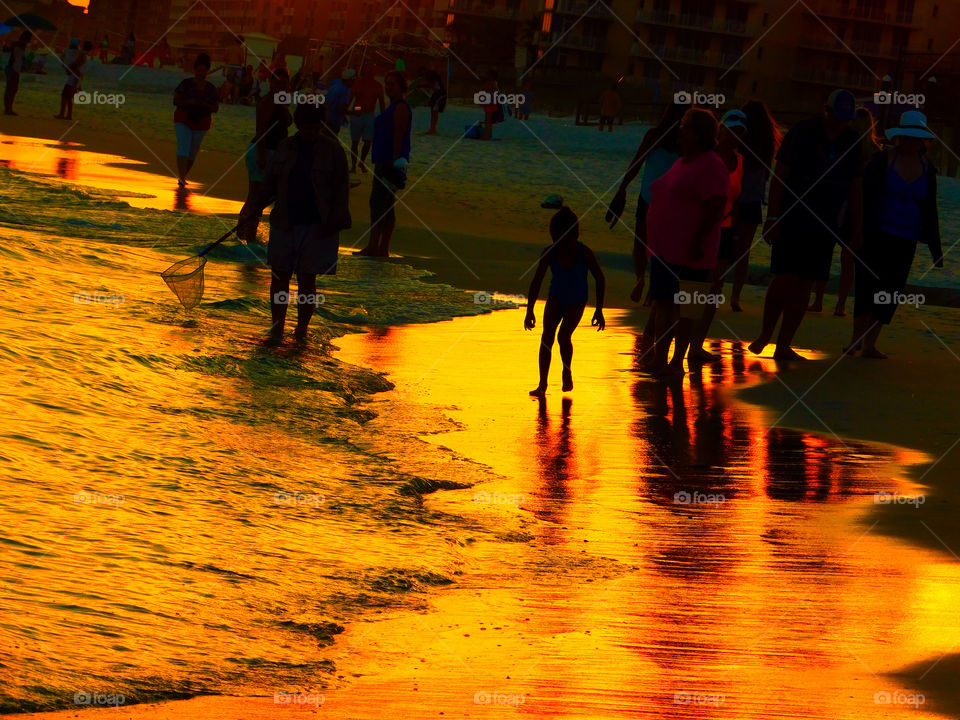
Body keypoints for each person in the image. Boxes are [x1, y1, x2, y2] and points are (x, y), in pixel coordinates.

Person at [749, 89, 862, 360]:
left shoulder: (851, 141)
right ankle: (766, 333)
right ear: (827, 110)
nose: (841, 123)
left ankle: (784, 344)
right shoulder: (803, 132)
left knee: (806, 283)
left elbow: (856, 187)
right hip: (792, 216)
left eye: (846, 119)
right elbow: (780, 176)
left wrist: (857, 228)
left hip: (826, 222)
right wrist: (772, 217)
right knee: (785, 278)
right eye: (837, 117)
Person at [240, 103, 351, 345]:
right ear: (298, 126)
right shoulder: (285, 147)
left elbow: (342, 190)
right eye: (307, 127)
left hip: (318, 225)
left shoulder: (333, 151)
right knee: (279, 276)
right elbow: (269, 182)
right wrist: (254, 208)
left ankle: (301, 329)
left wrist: (336, 222)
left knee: (307, 279)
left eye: (316, 127)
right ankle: (277, 328)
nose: (312, 132)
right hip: (284, 221)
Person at [845, 111, 942, 358]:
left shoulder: (927, 169)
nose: (910, 142)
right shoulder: (882, 160)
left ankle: (870, 344)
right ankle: (856, 339)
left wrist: (936, 248)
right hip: (875, 233)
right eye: (907, 137)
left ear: (922, 141)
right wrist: (853, 230)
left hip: (906, 237)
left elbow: (930, 208)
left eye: (915, 138)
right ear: (899, 137)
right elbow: (861, 195)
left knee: (890, 291)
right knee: (867, 286)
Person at [645, 108, 729, 377]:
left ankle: (676, 361)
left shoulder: (712, 165)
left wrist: (697, 241)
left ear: (699, 134)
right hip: (664, 250)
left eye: (686, 126)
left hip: (691, 252)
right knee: (665, 304)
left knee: (686, 308)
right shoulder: (683, 161)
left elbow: (716, 208)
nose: (680, 130)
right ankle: (661, 356)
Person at [606, 101, 685, 367]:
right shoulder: (686, 141)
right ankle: (651, 287)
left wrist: (622, 188)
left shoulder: (654, 135)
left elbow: (637, 162)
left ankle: (641, 279)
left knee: (640, 243)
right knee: (662, 250)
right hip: (672, 204)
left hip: (648, 197)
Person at [525, 205, 606, 396]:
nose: (558, 242)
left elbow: (600, 278)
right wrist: (530, 310)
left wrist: (599, 309)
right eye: (555, 238)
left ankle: (566, 371)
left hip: (577, 300)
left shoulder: (584, 253)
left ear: (574, 235)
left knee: (563, 336)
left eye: (563, 238)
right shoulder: (549, 252)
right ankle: (542, 384)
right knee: (546, 338)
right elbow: (536, 282)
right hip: (556, 296)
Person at [812, 106, 882, 316]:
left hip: (838, 204)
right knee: (847, 259)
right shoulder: (874, 152)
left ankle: (819, 300)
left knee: (825, 254)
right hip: (858, 208)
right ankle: (840, 304)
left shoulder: (845, 146)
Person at [689, 110, 747, 362]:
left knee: (714, 288)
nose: (735, 135)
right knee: (694, 285)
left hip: (724, 230)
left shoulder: (741, 161)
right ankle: (680, 341)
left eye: (740, 131)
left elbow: (737, 199)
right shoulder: (706, 158)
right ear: (721, 129)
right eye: (732, 129)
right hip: (701, 226)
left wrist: (734, 235)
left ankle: (696, 345)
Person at [730, 99, 782, 311]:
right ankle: (735, 297)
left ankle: (713, 293)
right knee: (743, 252)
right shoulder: (767, 143)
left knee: (723, 250)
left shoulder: (738, 141)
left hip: (733, 199)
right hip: (752, 201)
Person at [358, 71, 411, 257]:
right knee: (386, 204)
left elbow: (398, 135)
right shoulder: (393, 106)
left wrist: (394, 163)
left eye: (392, 84)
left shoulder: (401, 108)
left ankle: (375, 246)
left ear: (401, 87)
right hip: (384, 160)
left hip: (390, 162)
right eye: (387, 83)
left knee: (378, 202)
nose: (388, 87)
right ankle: (381, 248)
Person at [238, 68, 292, 242]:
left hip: (272, 153)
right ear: (270, 83)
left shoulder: (280, 100)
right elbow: (261, 129)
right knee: (256, 196)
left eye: (283, 82)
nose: (279, 85)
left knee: (257, 196)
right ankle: (249, 236)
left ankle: (243, 234)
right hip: (262, 151)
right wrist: (262, 155)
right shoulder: (268, 101)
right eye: (276, 82)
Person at [173, 53, 219, 188]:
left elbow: (215, 108)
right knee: (183, 147)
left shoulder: (211, 88)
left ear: (207, 72)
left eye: (204, 71)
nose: (201, 74)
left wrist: (203, 105)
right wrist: (190, 102)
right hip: (183, 118)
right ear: (194, 70)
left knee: (192, 152)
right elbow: (175, 100)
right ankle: (181, 178)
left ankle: (182, 176)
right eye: (199, 71)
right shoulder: (185, 84)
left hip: (202, 123)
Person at [348, 65, 385, 173]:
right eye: (368, 71)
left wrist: (384, 117)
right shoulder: (358, 83)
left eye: (371, 71)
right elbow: (351, 99)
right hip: (357, 114)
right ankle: (354, 165)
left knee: (367, 141)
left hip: (369, 114)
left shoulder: (377, 85)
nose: (369, 73)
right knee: (355, 141)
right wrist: (350, 110)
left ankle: (362, 162)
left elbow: (382, 102)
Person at [55, 40, 91, 121]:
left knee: (65, 96)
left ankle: (62, 114)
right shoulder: (86, 56)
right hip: (77, 78)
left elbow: (76, 65)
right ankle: (68, 115)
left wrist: (69, 69)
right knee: (69, 97)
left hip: (73, 78)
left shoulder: (82, 55)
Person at [4, 31, 32, 116]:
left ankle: (8, 108)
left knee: (11, 89)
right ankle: (8, 109)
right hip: (13, 69)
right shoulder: (19, 45)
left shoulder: (19, 45)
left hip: (13, 69)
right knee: (11, 89)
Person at [324, 69, 354, 138]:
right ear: (349, 80)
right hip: (334, 121)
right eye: (353, 80)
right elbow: (341, 109)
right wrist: (355, 112)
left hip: (326, 117)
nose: (354, 83)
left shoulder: (335, 83)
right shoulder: (345, 90)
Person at [425, 69, 447, 135]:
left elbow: (432, 87)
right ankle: (432, 128)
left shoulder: (434, 79)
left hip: (439, 95)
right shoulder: (436, 79)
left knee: (434, 112)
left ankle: (432, 129)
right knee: (433, 112)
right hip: (437, 95)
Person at [480, 69, 499, 141]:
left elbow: (484, 89)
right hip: (491, 103)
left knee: (488, 120)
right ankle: (488, 135)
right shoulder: (494, 83)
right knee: (489, 121)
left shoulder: (490, 83)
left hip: (489, 103)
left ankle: (487, 136)